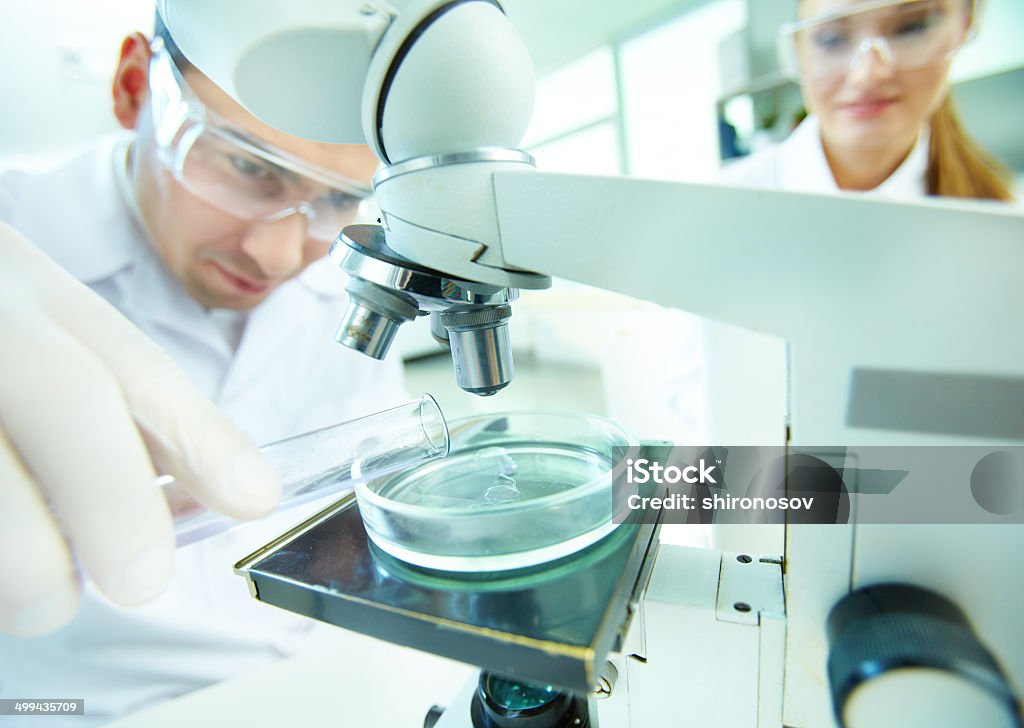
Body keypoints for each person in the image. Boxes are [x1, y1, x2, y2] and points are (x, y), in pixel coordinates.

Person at [0, 15, 406, 724]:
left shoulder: (350, 296)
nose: (278, 255)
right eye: (250, 167)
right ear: (133, 88)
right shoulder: (19, 248)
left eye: (340, 198)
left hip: (308, 686)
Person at [722, 0, 1016, 201]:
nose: (868, 75)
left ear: (964, 26)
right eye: (832, 39)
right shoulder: (723, 206)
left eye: (912, 27)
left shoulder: (1006, 229)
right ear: (798, 50)